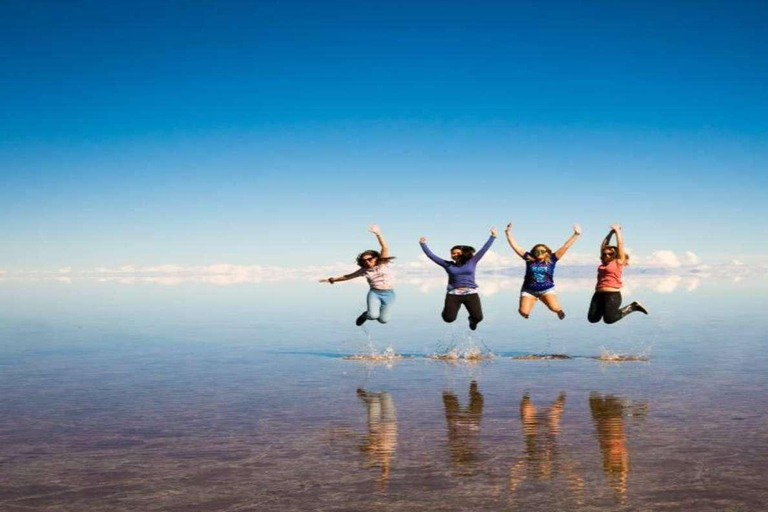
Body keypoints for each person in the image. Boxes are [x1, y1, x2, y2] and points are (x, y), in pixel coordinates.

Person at [419, 227, 497, 330]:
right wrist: (423, 244)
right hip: (453, 294)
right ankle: (446, 311)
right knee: (448, 319)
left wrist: (492, 237)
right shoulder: (447, 265)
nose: (454, 255)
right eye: (452, 253)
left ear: (463, 253)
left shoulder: (472, 261)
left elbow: (484, 249)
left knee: (478, 317)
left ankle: (472, 321)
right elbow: (431, 256)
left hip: (471, 293)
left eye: (456, 253)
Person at [320, 225, 396, 326]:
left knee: (383, 320)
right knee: (373, 315)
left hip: (389, 294)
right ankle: (365, 315)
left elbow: (385, 247)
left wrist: (378, 234)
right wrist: (332, 280)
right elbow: (348, 276)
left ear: (376, 258)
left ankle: (372, 314)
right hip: (375, 293)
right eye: (364, 260)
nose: (367, 262)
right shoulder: (364, 270)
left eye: (370, 259)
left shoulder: (383, 263)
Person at [505, 222, 581, 320]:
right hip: (529, 290)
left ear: (547, 253)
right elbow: (515, 246)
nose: (539, 253)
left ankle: (557, 310)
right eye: (536, 251)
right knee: (523, 312)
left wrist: (576, 234)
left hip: (547, 290)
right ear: (533, 252)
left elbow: (565, 246)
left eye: (542, 251)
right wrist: (508, 233)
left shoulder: (552, 259)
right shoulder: (529, 258)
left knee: (555, 308)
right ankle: (533, 299)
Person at [588, 224, 648, 324]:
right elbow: (603, 246)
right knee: (592, 319)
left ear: (615, 254)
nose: (607, 255)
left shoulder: (618, 262)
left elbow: (620, 244)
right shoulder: (603, 263)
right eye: (605, 254)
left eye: (610, 254)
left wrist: (617, 232)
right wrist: (610, 233)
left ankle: (633, 307)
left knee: (609, 319)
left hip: (612, 295)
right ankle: (607, 310)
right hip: (598, 294)